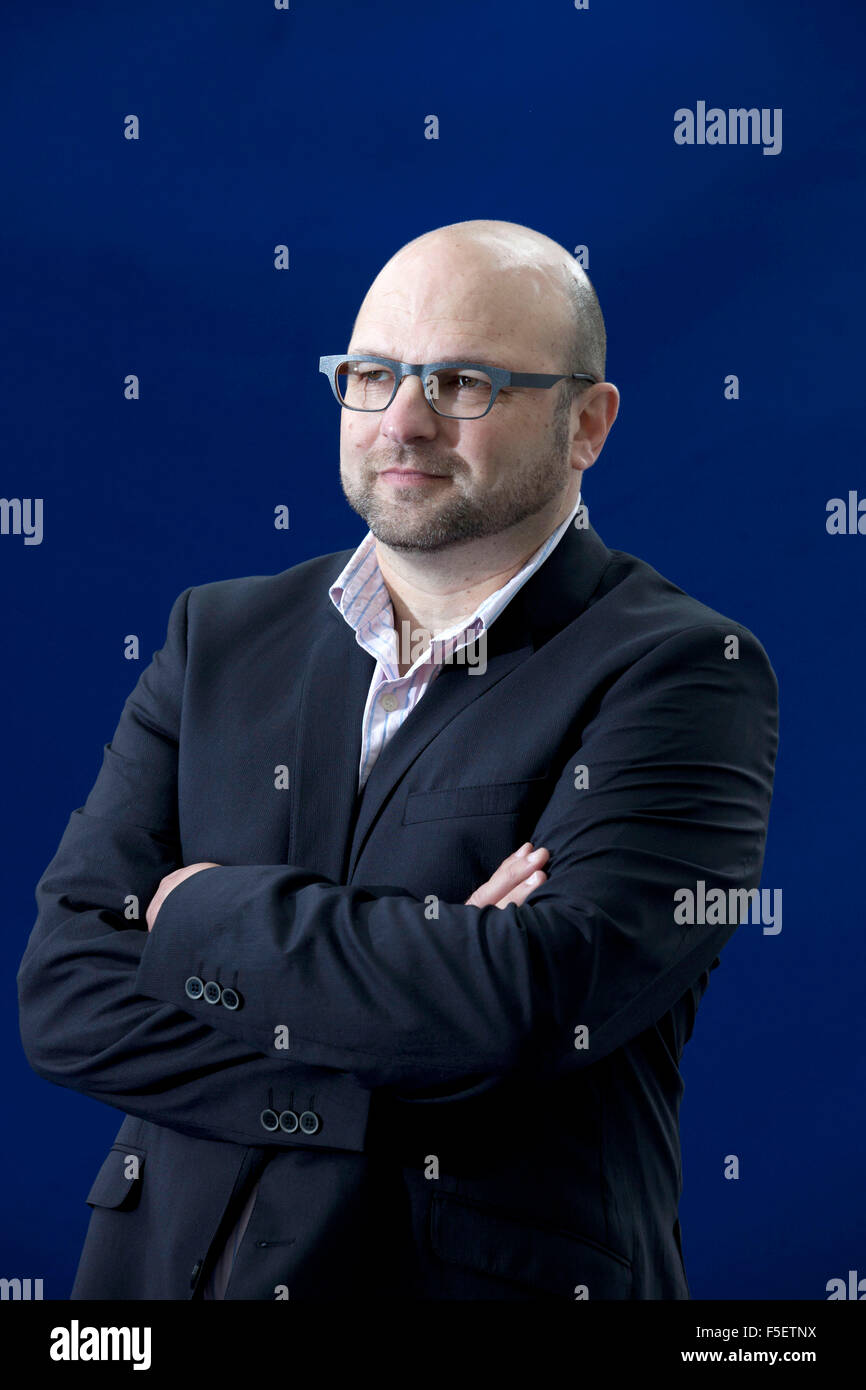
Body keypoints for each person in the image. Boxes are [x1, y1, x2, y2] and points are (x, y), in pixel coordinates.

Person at [18, 219, 778, 1300]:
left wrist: (195, 913)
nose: (403, 422)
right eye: (371, 375)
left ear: (587, 424)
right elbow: (65, 993)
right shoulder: (217, 637)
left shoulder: (680, 668)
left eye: (462, 381)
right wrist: (413, 1029)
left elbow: (532, 1001)